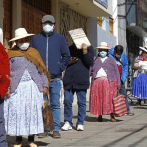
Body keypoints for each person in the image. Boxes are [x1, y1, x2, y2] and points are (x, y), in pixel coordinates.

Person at [4, 28, 50, 147]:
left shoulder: (34, 52)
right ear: (17, 41)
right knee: (18, 112)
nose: (23, 42)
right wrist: (7, 87)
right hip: (16, 88)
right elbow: (6, 72)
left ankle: (31, 140)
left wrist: (45, 85)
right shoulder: (11, 54)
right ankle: (18, 140)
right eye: (21, 40)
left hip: (33, 87)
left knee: (32, 112)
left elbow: (41, 70)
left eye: (25, 39)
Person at [30, 15, 70, 138]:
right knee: (42, 104)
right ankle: (45, 128)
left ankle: (56, 129)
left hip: (55, 78)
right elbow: (31, 57)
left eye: (49, 22)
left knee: (55, 104)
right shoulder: (36, 39)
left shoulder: (60, 38)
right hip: (40, 78)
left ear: (54, 25)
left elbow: (66, 56)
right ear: (41, 24)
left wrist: (59, 67)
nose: (47, 24)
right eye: (45, 22)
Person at [61, 43, 94, 131]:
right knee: (67, 101)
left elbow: (90, 62)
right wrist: (69, 61)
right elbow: (63, 62)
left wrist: (85, 51)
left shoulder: (89, 48)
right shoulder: (69, 48)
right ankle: (68, 122)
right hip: (69, 79)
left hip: (81, 79)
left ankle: (80, 122)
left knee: (81, 102)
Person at [89, 42, 120, 122]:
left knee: (109, 100)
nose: (103, 51)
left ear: (107, 51)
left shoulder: (111, 60)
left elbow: (116, 71)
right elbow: (90, 70)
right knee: (99, 99)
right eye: (101, 50)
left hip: (109, 82)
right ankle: (100, 116)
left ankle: (112, 116)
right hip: (97, 82)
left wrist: (118, 83)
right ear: (99, 50)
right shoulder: (94, 59)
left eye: (104, 50)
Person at [109, 45, 134, 116]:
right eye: (118, 54)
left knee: (123, 95)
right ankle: (111, 110)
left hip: (121, 78)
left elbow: (126, 65)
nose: (119, 55)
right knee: (111, 95)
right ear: (114, 51)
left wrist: (123, 77)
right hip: (112, 78)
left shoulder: (123, 55)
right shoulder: (109, 54)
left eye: (120, 54)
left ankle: (126, 110)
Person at [0, 42, 10, 147]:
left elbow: (5, 59)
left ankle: (2, 143)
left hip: (0, 87)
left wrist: (6, 78)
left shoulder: (0, 46)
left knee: (0, 119)